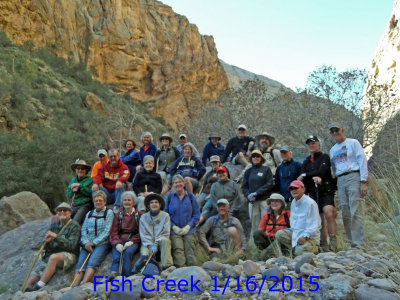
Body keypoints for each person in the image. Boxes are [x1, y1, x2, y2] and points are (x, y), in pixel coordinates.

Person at [25, 203, 80, 292]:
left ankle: (38, 287)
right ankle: (27, 289)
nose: (62, 212)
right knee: (34, 274)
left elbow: (72, 246)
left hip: (70, 255)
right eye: (59, 210)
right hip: (52, 254)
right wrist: (46, 242)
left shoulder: (75, 226)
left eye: (65, 210)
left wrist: (56, 237)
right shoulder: (54, 225)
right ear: (57, 213)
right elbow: (48, 246)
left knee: (54, 258)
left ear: (70, 213)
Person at [329, 122, 368, 248]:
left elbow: (362, 160)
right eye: (333, 131)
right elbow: (334, 168)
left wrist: (363, 181)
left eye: (337, 130)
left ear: (342, 130)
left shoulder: (353, 143)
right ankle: (352, 242)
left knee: (355, 208)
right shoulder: (332, 150)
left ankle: (359, 243)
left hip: (353, 176)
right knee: (345, 211)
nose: (335, 133)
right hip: (340, 179)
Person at [298, 135, 337, 252]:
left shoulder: (325, 157)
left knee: (328, 213)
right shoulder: (306, 161)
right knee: (319, 219)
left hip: (326, 191)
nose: (311, 145)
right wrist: (310, 176)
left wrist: (307, 175)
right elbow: (302, 178)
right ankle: (323, 244)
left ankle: (333, 242)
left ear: (319, 145)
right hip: (313, 193)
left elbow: (322, 171)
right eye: (309, 144)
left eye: (313, 143)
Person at [73, 191, 113, 285]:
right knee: (80, 263)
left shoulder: (109, 212)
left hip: (102, 243)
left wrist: (94, 242)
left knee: (92, 261)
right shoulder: (89, 213)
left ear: (104, 202)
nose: (98, 202)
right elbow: (84, 229)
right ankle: (74, 284)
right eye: (96, 201)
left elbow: (107, 230)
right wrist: (86, 242)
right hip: (87, 243)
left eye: (100, 200)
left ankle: (84, 283)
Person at [275, 181, 321, 257]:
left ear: (303, 189)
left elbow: (315, 225)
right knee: (280, 234)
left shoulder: (310, 203)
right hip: (296, 233)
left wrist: (305, 237)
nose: (293, 190)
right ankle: (294, 249)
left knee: (299, 253)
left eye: (296, 188)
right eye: (291, 189)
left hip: (310, 237)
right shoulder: (293, 202)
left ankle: (313, 249)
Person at [165, 175, 200, 267]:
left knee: (190, 253)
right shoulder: (169, 198)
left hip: (189, 230)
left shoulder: (191, 197)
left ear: (183, 183)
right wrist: (173, 226)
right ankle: (181, 274)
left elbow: (196, 214)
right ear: (173, 185)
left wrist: (189, 226)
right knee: (178, 251)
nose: (178, 184)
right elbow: (166, 215)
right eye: (176, 182)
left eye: (180, 182)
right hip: (175, 231)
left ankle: (194, 275)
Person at [108, 191, 142, 280]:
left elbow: (141, 231)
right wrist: (117, 243)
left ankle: (126, 276)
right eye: (125, 200)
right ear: (122, 202)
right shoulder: (118, 215)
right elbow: (113, 231)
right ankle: (114, 275)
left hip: (133, 240)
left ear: (133, 202)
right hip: (120, 239)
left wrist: (132, 241)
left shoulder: (139, 215)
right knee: (116, 256)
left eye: (129, 200)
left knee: (128, 253)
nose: (127, 202)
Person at [242, 150, 274, 233]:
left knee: (266, 221)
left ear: (261, 158)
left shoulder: (266, 169)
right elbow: (244, 186)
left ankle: (266, 241)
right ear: (251, 158)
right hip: (253, 201)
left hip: (264, 200)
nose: (255, 158)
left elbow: (270, 183)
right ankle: (255, 243)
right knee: (254, 223)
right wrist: (248, 195)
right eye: (254, 156)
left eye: (258, 156)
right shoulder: (248, 171)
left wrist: (257, 192)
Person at [139, 193, 173, 270]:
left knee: (165, 241)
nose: (154, 204)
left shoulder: (165, 216)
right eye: (151, 202)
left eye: (156, 202)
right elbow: (143, 234)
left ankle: (167, 266)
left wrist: (156, 243)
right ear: (148, 205)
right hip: (148, 243)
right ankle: (148, 270)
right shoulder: (143, 217)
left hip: (160, 241)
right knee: (144, 253)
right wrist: (150, 245)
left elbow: (166, 233)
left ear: (160, 205)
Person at [253, 194, 290, 260]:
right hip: (269, 239)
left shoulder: (288, 215)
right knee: (256, 233)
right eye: (272, 201)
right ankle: (265, 253)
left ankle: (262, 256)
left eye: (276, 201)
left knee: (279, 239)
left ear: (282, 204)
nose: (274, 203)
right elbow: (260, 230)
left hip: (281, 241)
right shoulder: (266, 215)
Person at [67, 159, 93, 225]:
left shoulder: (90, 180)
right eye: (78, 168)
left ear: (86, 170)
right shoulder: (73, 180)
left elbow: (90, 193)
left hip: (85, 205)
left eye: (82, 168)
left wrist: (80, 186)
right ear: (75, 170)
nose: (80, 170)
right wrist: (72, 191)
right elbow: (69, 194)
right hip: (74, 205)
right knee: (64, 219)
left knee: (75, 222)